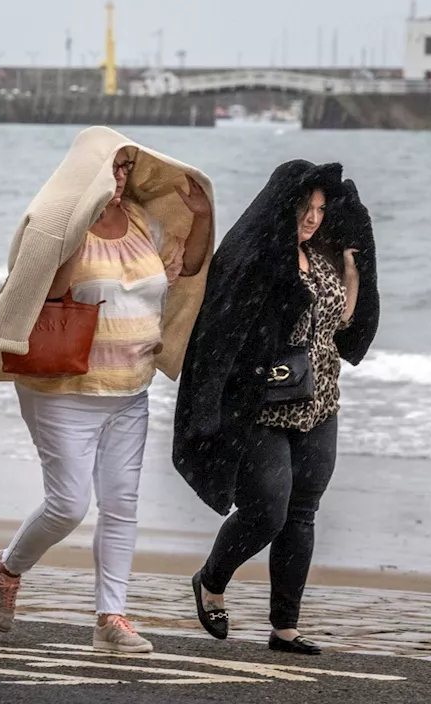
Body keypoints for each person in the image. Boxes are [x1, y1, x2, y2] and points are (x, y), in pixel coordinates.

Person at [0, 126, 215, 653]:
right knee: (67, 505)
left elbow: (189, 269)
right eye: (110, 168)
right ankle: (8, 566)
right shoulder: (61, 227)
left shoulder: (140, 220)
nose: (118, 179)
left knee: (121, 504)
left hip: (130, 390)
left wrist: (200, 217)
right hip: (62, 388)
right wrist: (75, 229)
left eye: (125, 169)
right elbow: (53, 292)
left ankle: (111, 618)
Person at [172, 160, 378, 656]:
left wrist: (351, 271)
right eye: (305, 208)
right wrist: (211, 405)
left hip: (320, 401)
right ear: (284, 206)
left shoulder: (323, 258)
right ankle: (211, 580)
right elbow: (220, 331)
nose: (312, 218)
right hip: (261, 405)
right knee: (268, 510)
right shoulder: (255, 258)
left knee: (303, 512)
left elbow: (340, 323)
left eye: (321, 210)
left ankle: (284, 627)